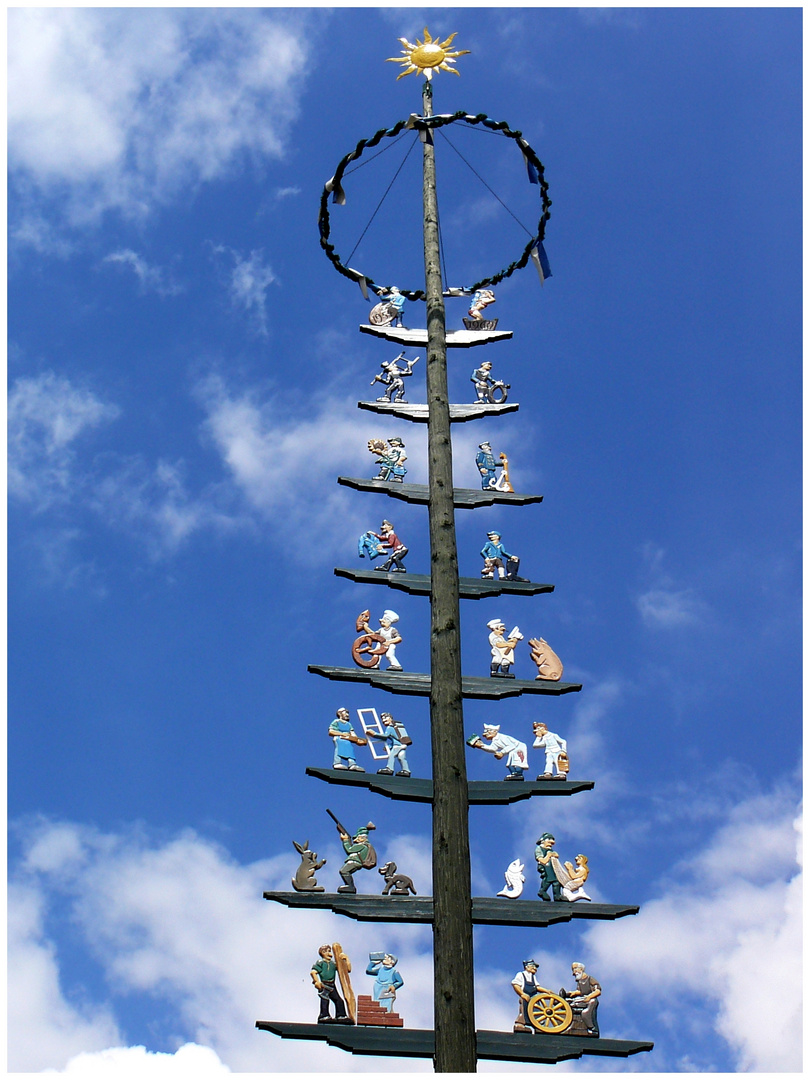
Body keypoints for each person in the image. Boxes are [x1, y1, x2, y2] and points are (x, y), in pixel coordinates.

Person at [311, 945, 353, 1024]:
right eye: (328, 951)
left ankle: (341, 1016)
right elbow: (313, 972)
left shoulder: (333, 964)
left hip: (332, 985)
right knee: (325, 1000)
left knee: (339, 1000)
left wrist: (346, 959)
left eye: (330, 951)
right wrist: (317, 982)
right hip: (324, 984)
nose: (330, 953)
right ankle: (324, 1016)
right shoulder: (321, 963)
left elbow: (347, 969)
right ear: (323, 953)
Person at [560, 962, 601, 1036]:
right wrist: (571, 993)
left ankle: (592, 1028)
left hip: (590, 1000)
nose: (574, 972)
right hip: (583, 999)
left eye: (575, 969)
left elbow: (598, 991)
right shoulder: (580, 981)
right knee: (568, 1002)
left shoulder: (590, 979)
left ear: (581, 969)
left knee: (586, 1012)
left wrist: (589, 997)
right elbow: (580, 991)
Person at [367, 712, 411, 776]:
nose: (383, 720)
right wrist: (390, 746)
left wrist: (374, 734)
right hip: (403, 744)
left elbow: (385, 736)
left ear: (390, 718)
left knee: (391, 756)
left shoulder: (390, 728)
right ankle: (406, 770)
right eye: (382, 719)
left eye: (385, 718)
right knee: (401, 758)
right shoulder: (395, 728)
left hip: (397, 746)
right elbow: (395, 739)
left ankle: (389, 769)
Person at [337, 826, 375, 893]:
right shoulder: (362, 845)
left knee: (344, 871)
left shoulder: (362, 845)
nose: (356, 839)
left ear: (362, 837)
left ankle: (350, 886)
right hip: (354, 862)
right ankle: (350, 886)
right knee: (344, 871)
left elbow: (349, 849)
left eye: (357, 837)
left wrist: (345, 840)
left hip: (354, 862)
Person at [328, 707, 366, 771]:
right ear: (340, 714)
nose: (347, 715)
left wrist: (357, 740)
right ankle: (337, 763)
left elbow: (353, 734)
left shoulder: (349, 724)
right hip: (339, 738)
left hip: (348, 740)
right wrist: (342, 734)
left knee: (350, 750)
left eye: (348, 713)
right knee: (339, 750)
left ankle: (352, 764)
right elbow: (331, 731)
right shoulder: (336, 721)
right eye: (345, 713)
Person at [511, 958, 542, 1033]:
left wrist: (547, 991)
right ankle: (520, 1024)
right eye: (533, 966)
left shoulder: (533, 977)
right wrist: (522, 994)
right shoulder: (521, 975)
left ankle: (538, 1025)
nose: (535, 968)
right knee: (524, 1009)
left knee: (537, 1010)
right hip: (525, 996)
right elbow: (515, 984)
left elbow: (537, 987)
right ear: (527, 967)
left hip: (534, 997)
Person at [535, 832, 563, 901]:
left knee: (557, 880)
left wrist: (552, 854)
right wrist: (548, 855)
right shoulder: (539, 849)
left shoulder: (549, 850)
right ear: (543, 840)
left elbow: (556, 855)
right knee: (549, 879)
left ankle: (557, 895)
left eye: (553, 839)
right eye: (549, 839)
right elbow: (542, 860)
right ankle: (542, 891)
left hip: (552, 867)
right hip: (545, 867)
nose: (552, 841)